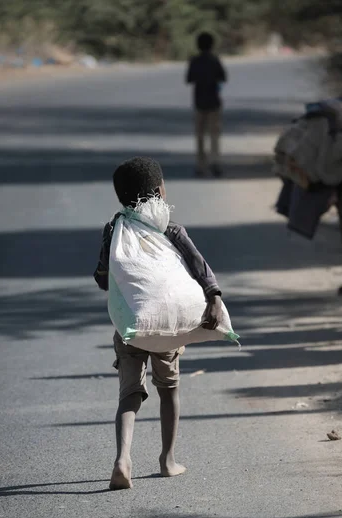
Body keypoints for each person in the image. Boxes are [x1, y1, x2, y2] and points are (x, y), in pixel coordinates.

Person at [94, 157, 223, 490]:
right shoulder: (171, 229)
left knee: (129, 396)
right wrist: (215, 298)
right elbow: (200, 267)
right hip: (166, 329)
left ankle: (122, 459)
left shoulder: (115, 230)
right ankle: (167, 460)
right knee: (169, 390)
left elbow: (103, 279)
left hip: (131, 327)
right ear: (158, 191)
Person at [186, 32, 227, 177]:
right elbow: (223, 77)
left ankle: (200, 165)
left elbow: (189, 79)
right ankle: (215, 162)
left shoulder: (194, 61)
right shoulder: (214, 60)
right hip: (214, 102)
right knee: (214, 135)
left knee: (200, 135)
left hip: (199, 102)